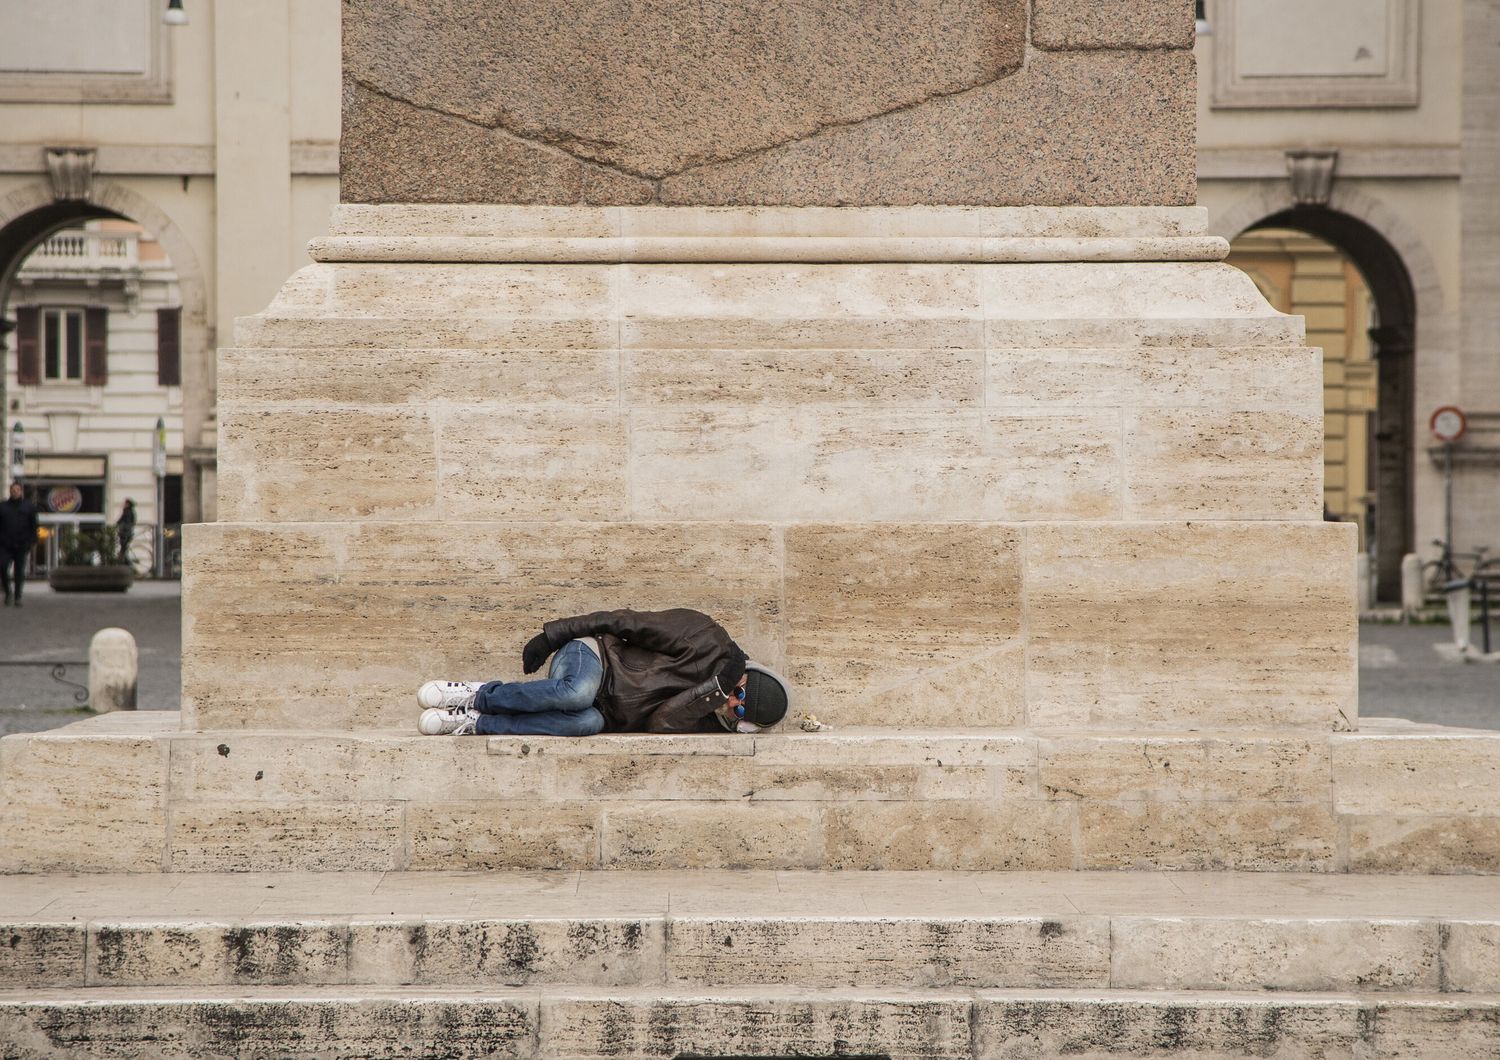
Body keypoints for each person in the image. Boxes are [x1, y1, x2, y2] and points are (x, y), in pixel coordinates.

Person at [416, 607, 791, 737]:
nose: (732, 704)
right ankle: (476, 694)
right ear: (747, 674)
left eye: (739, 711)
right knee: (576, 693)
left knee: (585, 723)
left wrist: (714, 692)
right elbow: (624, 621)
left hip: (607, 713)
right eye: (740, 694)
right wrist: (552, 636)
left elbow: (661, 723)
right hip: (595, 657)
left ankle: (473, 722)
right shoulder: (706, 636)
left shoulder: (710, 712)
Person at [0, 482, 40, 607]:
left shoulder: (29, 507)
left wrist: (32, 541)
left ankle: (17, 597)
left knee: (19, 571)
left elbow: (34, 526)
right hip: (4, 544)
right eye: (13, 490)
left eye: (17, 490)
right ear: (10, 491)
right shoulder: (2, 507)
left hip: (22, 543)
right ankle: (8, 592)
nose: (15, 492)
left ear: (21, 491)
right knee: (2, 567)